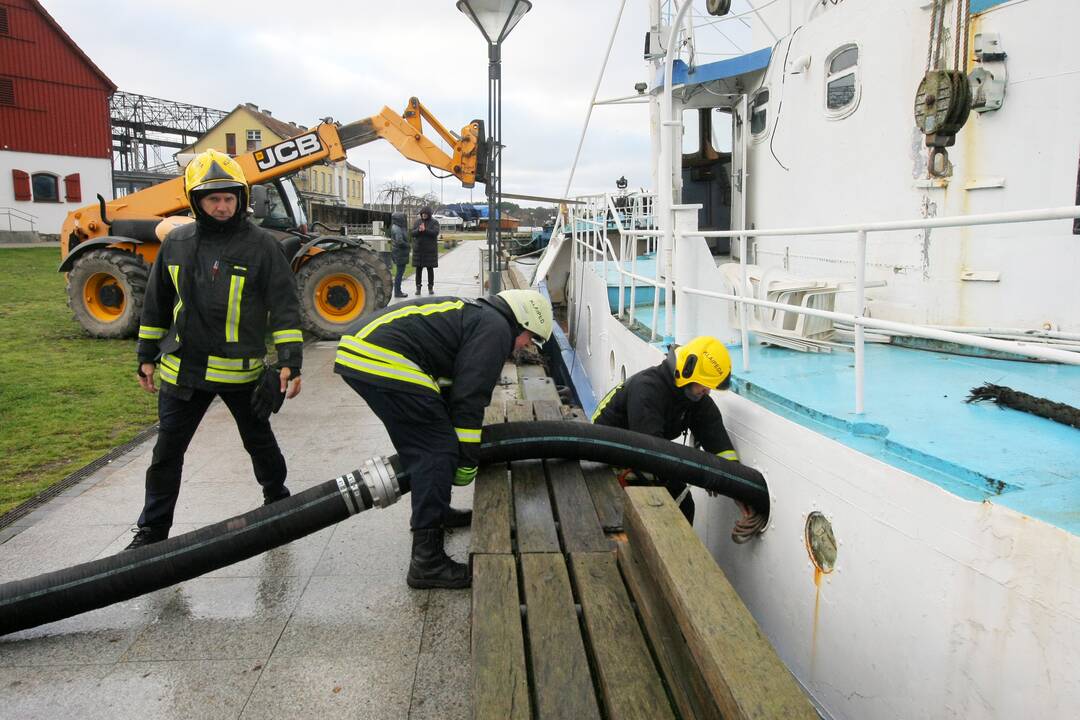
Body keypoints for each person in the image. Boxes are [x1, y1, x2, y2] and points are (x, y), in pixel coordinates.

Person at [126, 149, 304, 550]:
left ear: (242, 199)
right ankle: (152, 531)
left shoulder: (262, 246)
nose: (222, 206)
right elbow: (155, 303)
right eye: (213, 198)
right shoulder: (176, 243)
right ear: (196, 201)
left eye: (229, 198)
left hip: (241, 374)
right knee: (166, 455)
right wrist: (146, 356)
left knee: (260, 443)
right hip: (182, 372)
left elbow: (286, 308)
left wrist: (290, 362)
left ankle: (279, 503)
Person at [334, 289, 553, 589]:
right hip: (381, 356)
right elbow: (469, 398)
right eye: (531, 338)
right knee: (435, 451)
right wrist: (466, 458)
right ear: (523, 321)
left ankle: (438, 514)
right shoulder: (497, 329)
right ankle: (427, 562)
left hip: (365, 350)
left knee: (430, 446)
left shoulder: (482, 317)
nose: (527, 346)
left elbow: (453, 385)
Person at [592, 336, 739, 524]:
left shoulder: (693, 398)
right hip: (605, 461)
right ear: (686, 373)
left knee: (684, 504)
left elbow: (719, 443)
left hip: (639, 457)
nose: (707, 391)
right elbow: (653, 453)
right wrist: (706, 475)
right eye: (704, 384)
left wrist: (738, 489)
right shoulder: (647, 390)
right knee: (676, 506)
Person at [411, 206, 439, 295]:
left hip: (430, 251)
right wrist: (419, 230)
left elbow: (435, 233)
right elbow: (412, 233)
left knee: (430, 270)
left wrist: (425, 230)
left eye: (425, 214)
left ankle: (430, 287)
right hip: (419, 251)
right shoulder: (417, 222)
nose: (424, 216)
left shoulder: (434, 222)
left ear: (429, 214)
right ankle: (418, 288)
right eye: (422, 214)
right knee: (418, 271)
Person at [390, 212, 410, 299]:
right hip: (400, 253)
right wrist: (408, 245)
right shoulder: (397, 228)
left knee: (400, 272)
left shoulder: (397, 227)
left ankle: (398, 291)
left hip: (399, 253)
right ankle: (397, 292)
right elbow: (400, 241)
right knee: (399, 273)